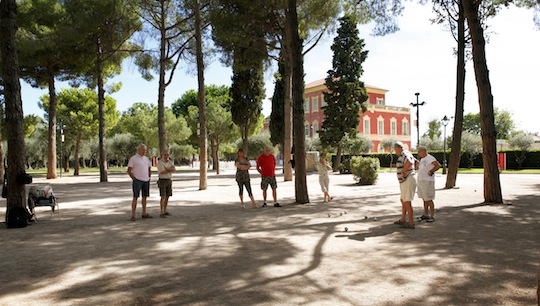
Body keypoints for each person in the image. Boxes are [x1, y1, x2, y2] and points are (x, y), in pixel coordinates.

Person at [393, 142, 417, 229]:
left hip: (407, 179)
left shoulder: (404, 153)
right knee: (403, 200)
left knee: (407, 201)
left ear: (398, 148)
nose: (395, 152)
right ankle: (403, 219)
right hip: (406, 180)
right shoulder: (407, 153)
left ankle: (411, 222)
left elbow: (410, 162)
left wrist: (404, 172)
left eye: (395, 150)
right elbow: (416, 162)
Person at [127, 144, 152, 221]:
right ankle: (133, 215)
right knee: (135, 197)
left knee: (145, 197)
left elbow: (149, 168)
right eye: (143, 150)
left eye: (145, 150)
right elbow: (129, 169)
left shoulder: (146, 159)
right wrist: (133, 178)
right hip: (137, 179)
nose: (144, 151)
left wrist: (149, 176)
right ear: (138, 150)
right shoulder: (133, 159)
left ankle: (144, 213)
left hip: (146, 180)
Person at [417, 146, 441, 222]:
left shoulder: (430, 158)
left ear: (423, 151)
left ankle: (432, 215)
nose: (418, 153)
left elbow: (438, 165)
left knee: (429, 198)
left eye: (419, 151)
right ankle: (425, 214)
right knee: (424, 198)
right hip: (421, 180)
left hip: (428, 181)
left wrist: (431, 171)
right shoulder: (422, 159)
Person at [157, 149, 176, 218]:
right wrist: (170, 170)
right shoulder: (160, 162)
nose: (166, 156)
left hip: (169, 180)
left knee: (168, 196)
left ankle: (165, 210)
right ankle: (161, 211)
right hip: (162, 180)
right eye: (165, 155)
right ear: (162, 155)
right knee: (163, 196)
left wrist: (167, 169)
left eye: (167, 155)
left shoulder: (170, 162)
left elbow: (174, 170)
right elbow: (162, 172)